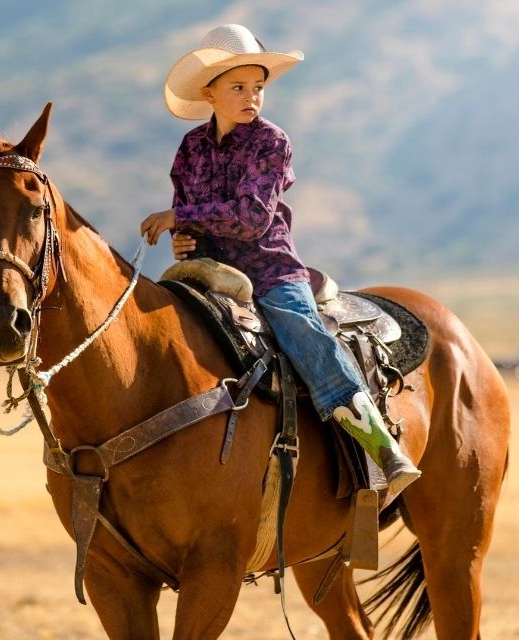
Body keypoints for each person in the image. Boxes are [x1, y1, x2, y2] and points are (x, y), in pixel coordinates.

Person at [140, 24, 421, 495]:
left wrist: (178, 216)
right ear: (209, 93)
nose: (252, 97)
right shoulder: (190, 148)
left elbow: (252, 217)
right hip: (207, 273)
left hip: (268, 268)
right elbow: (187, 214)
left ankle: (375, 435)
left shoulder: (271, 142)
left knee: (299, 328)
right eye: (238, 87)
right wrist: (182, 238)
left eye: (258, 88)